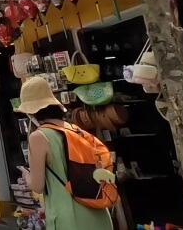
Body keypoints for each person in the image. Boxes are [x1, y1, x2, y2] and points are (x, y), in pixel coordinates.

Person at [15, 77, 113, 230]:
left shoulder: (39, 137)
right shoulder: (74, 129)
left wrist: (26, 175)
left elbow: (37, 186)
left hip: (69, 217)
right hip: (98, 213)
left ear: (31, 112)